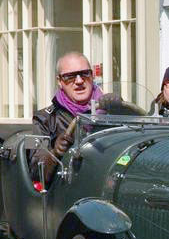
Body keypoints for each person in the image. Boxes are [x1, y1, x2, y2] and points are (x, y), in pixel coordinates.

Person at [29, 51, 115, 184]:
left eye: (85, 74)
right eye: (70, 76)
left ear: (92, 76)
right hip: (69, 188)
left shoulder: (110, 108)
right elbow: (34, 171)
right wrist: (54, 153)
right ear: (59, 81)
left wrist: (121, 109)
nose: (79, 81)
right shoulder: (42, 119)